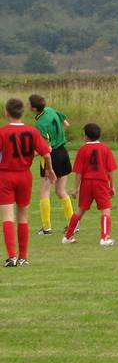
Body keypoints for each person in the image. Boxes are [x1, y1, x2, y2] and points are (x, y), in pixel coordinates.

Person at [0, 97, 54, 266]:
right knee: (23, 215)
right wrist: (49, 169)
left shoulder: (2, 132)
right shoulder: (32, 131)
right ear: (22, 112)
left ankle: (12, 257)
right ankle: (23, 257)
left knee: (7, 216)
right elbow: (46, 153)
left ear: (6, 113)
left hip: (5, 176)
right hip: (25, 176)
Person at [61, 123, 118, 247]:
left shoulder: (82, 150)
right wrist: (113, 186)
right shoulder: (105, 149)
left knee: (80, 210)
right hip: (101, 183)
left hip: (86, 183)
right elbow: (111, 170)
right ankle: (105, 238)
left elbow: (79, 172)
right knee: (105, 210)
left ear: (86, 136)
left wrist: (75, 188)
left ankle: (68, 237)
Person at [29, 93, 74, 236]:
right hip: (63, 153)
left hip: (51, 156)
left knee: (44, 192)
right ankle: (73, 224)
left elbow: (45, 148)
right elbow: (66, 124)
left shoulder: (40, 124)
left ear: (34, 108)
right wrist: (58, 136)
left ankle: (46, 227)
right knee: (61, 191)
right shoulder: (51, 110)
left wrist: (27, 155)